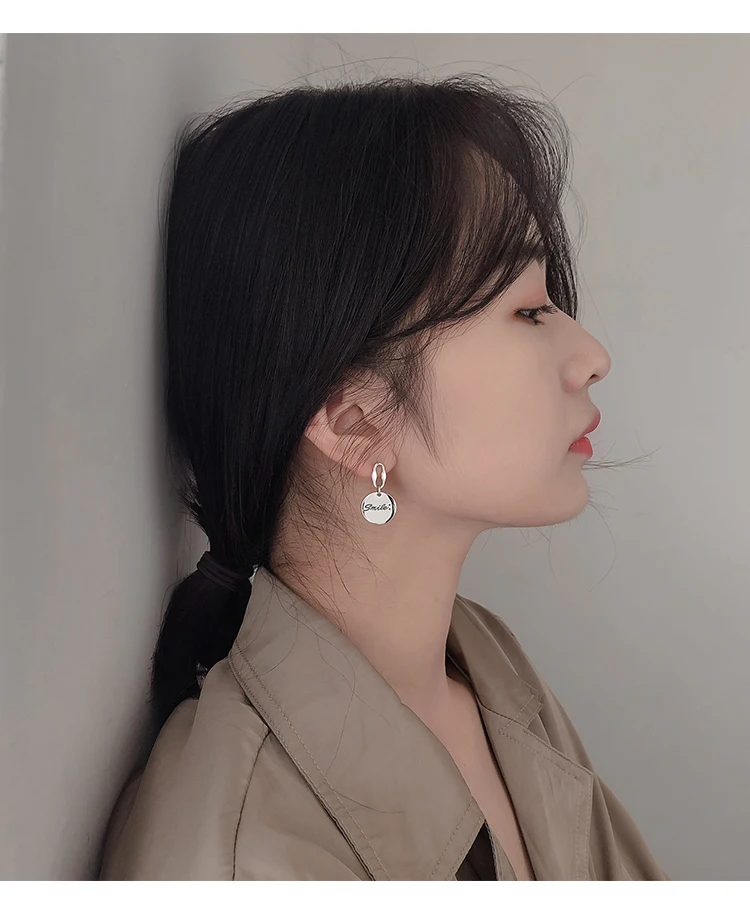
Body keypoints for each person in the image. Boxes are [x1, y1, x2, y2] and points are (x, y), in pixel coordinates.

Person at [98, 74, 669, 881]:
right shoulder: (244, 857)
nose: (591, 356)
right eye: (529, 309)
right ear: (353, 419)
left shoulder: (489, 670)